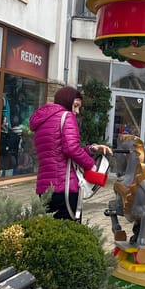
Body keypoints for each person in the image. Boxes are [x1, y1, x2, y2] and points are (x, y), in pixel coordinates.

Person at [30, 86, 112, 220]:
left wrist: (91, 149)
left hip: (45, 187)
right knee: (69, 231)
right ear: (67, 102)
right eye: (75, 106)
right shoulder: (66, 116)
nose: (77, 111)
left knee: (50, 229)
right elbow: (71, 149)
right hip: (65, 187)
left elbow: (59, 151)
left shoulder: (43, 121)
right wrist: (91, 165)